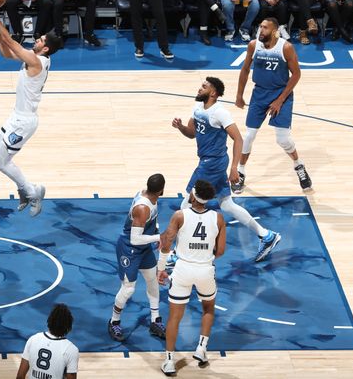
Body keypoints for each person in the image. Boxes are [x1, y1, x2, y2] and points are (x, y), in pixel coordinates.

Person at [173, 76, 280, 262]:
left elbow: (238, 139)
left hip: (212, 163)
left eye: (204, 87)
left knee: (186, 205)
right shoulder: (198, 108)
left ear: (213, 93)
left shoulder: (220, 113)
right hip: (209, 161)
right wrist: (180, 127)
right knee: (227, 204)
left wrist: (235, 168)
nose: (200, 89)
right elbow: (192, 134)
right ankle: (266, 236)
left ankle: (177, 254)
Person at [0, 0, 63, 217]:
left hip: (24, 121)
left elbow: (11, 43)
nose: (37, 39)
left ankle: (32, 190)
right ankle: (24, 190)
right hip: (17, 116)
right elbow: (6, 52)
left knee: (1, 162)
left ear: (45, 49)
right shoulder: (34, 58)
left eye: (41, 40)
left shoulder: (36, 61)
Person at [235, 17, 312, 194]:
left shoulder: (285, 47)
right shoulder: (254, 45)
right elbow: (245, 69)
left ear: (275, 31)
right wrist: (239, 95)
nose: (261, 31)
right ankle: (240, 172)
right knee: (249, 136)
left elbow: (296, 74)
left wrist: (280, 99)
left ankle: (298, 165)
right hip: (259, 93)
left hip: (281, 94)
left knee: (282, 139)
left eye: (265, 28)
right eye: (260, 27)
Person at [157, 180, 225, 377]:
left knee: (175, 317)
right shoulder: (218, 218)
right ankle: (201, 349)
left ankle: (169, 362)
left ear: (192, 196)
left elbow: (166, 244)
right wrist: (205, 253)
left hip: (183, 270)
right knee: (208, 308)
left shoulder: (180, 215)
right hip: (205, 269)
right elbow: (220, 251)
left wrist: (161, 268)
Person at [107, 173, 167, 342]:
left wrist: (155, 231)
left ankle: (156, 320)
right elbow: (134, 239)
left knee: (152, 280)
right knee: (128, 289)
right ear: (161, 190)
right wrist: (159, 237)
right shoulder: (142, 208)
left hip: (143, 248)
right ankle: (114, 322)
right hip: (129, 249)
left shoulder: (149, 196)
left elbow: (153, 219)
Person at [16, 304, 79, 379]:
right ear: (68, 326)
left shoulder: (33, 339)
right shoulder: (71, 350)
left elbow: (20, 376)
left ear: (50, 321)